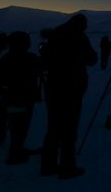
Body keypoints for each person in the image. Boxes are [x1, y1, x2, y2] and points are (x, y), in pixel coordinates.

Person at [40, 14, 97, 179]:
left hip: (53, 87)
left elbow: (43, 62)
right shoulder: (79, 37)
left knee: (53, 126)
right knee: (69, 127)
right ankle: (67, 166)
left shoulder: (55, 36)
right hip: (72, 88)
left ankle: (48, 165)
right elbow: (92, 59)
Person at [0, 31, 41, 164]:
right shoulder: (30, 58)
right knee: (20, 126)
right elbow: (42, 67)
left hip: (7, 98)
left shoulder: (6, 58)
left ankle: (16, 148)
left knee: (16, 124)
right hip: (24, 99)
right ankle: (15, 153)